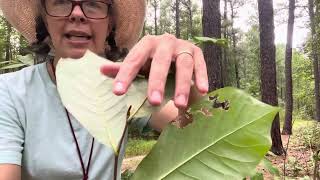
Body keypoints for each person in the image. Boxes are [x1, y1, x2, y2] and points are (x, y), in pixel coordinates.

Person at [0, 0, 208, 179]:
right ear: (45, 19)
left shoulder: (123, 88)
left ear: (110, 25)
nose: (77, 14)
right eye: (61, 1)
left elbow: (197, 131)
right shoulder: (10, 91)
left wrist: (187, 87)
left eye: (93, 4)